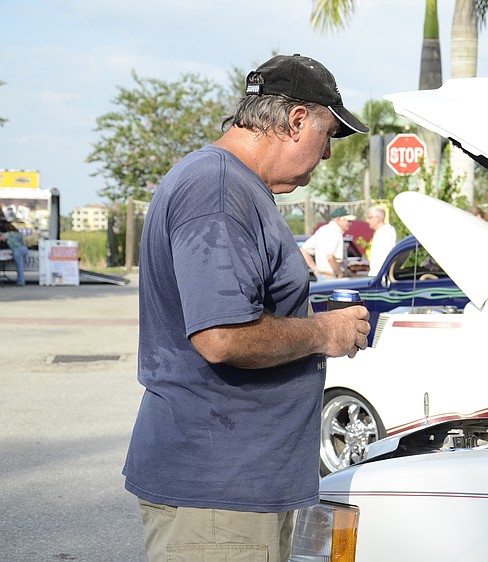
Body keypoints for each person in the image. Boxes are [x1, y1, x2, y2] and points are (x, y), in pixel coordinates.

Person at [122, 54, 371, 562]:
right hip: (218, 492)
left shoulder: (230, 186)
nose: (326, 155)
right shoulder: (216, 188)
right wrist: (326, 333)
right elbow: (222, 336)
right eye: (328, 135)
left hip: (236, 489)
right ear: (297, 119)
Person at [300, 207, 355, 280]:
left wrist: (315, 270)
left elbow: (303, 250)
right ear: (338, 219)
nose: (350, 223)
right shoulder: (336, 234)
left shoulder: (323, 230)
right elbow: (330, 257)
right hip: (332, 277)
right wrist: (340, 274)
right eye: (348, 221)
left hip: (322, 276)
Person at [366, 204, 396, 276]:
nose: (367, 221)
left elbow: (385, 255)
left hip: (380, 275)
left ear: (377, 218)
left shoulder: (385, 232)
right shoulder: (383, 231)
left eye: (369, 218)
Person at [0, 222, 28, 286]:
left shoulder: (8, 234)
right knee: (22, 266)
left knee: (19, 266)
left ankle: (21, 282)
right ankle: (20, 280)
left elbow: (1, 239)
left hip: (17, 250)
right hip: (24, 249)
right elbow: (24, 242)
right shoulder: (19, 234)